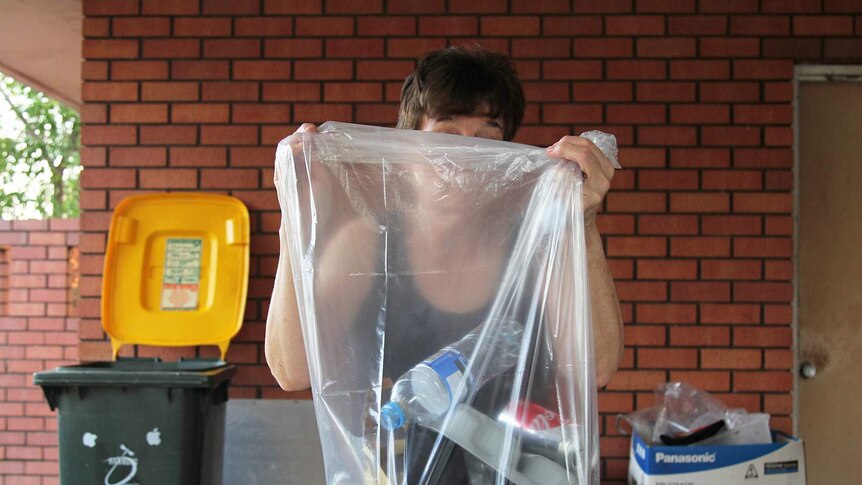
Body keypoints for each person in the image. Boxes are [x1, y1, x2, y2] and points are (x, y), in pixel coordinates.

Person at [265, 45, 623, 482]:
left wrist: (581, 221)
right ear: (408, 147)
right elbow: (290, 370)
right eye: (446, 137)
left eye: (486, 144)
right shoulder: (366, 244)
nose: (462, 162)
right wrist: (296, 220)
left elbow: (598, 367)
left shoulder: (535, 247)